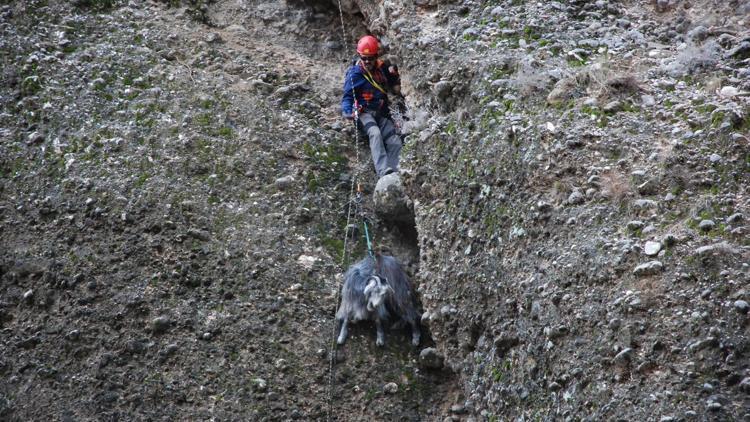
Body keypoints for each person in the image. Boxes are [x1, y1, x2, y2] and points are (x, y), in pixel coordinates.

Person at [341, 35, 403, 179]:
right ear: (359, 56)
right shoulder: (354, 74)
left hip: (381, 112)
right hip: (364, 113)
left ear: (376, 56)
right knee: (375, 133)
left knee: (393, 138)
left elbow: (394, 82)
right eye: (364, 58)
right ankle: (383, 171)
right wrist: (347, 111)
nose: (367, 61)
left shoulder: (383, 69)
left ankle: (397, 170)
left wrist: (396, 81)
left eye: (370, 58)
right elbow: (348, 96)